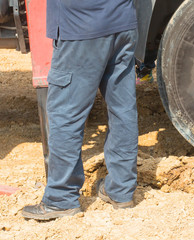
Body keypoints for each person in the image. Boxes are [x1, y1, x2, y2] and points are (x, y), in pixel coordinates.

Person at [22, 0, 139, 220]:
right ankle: (121, 190)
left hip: (81, 25)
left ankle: (61, 198)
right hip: (122, 22)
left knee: (65, 113)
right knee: (122, 109)